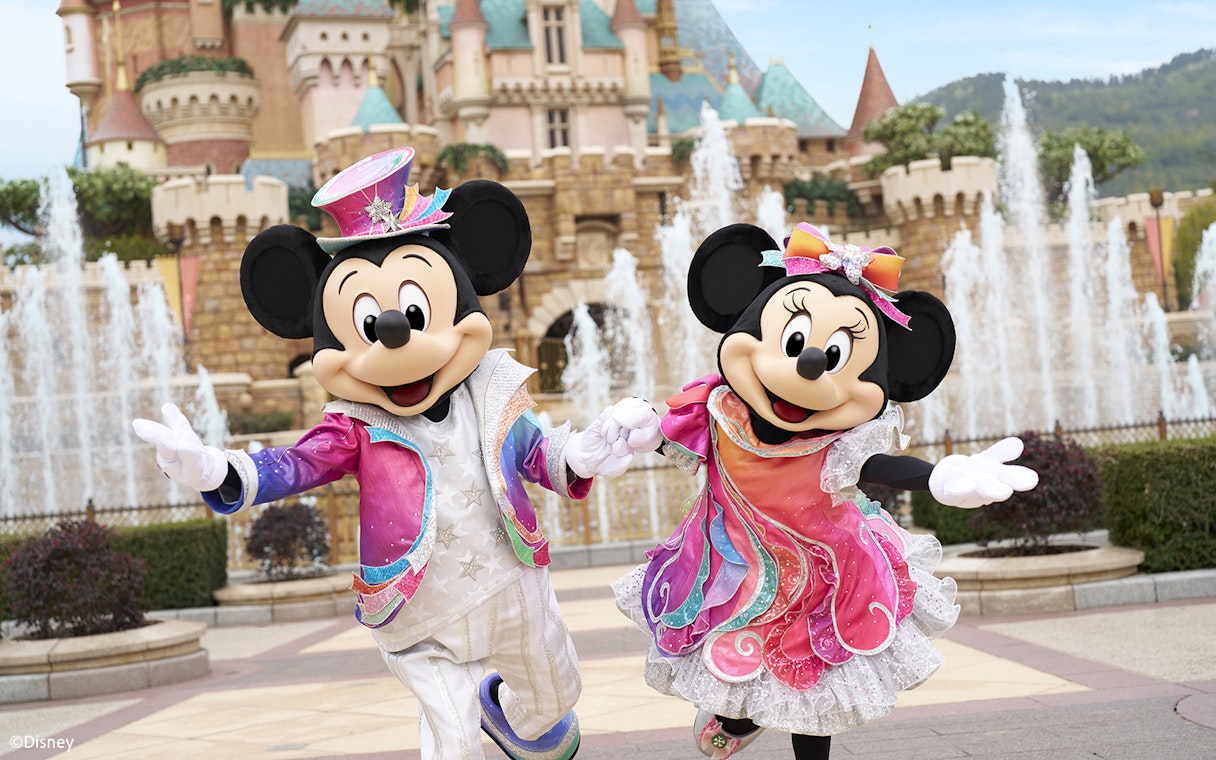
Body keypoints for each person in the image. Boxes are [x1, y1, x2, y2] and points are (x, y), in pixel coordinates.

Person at [134, 147, 661, 760]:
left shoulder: (489, 395)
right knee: (452, 736)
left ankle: (507, 710)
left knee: (556, 697)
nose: (394, 334)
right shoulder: (355, 422)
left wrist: (587, 451)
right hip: (418, 610)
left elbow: (540, 455)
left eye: (414, 312)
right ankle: (471, 718)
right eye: (366, 321)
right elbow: (299, 463)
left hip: (514, 584)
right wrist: (221, 469)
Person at [613, 222, 1037, 759]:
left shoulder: (839, 443)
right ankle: (736, 717)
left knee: (813, 686)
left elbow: (879, 465)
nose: (809, 364)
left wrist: (935, 476)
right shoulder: (720, 414)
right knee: (728, 657)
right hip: (733, 568)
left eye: (835, 354)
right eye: (794, 343)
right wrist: (645, 429)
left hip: (824, 578)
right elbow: (676, 441)